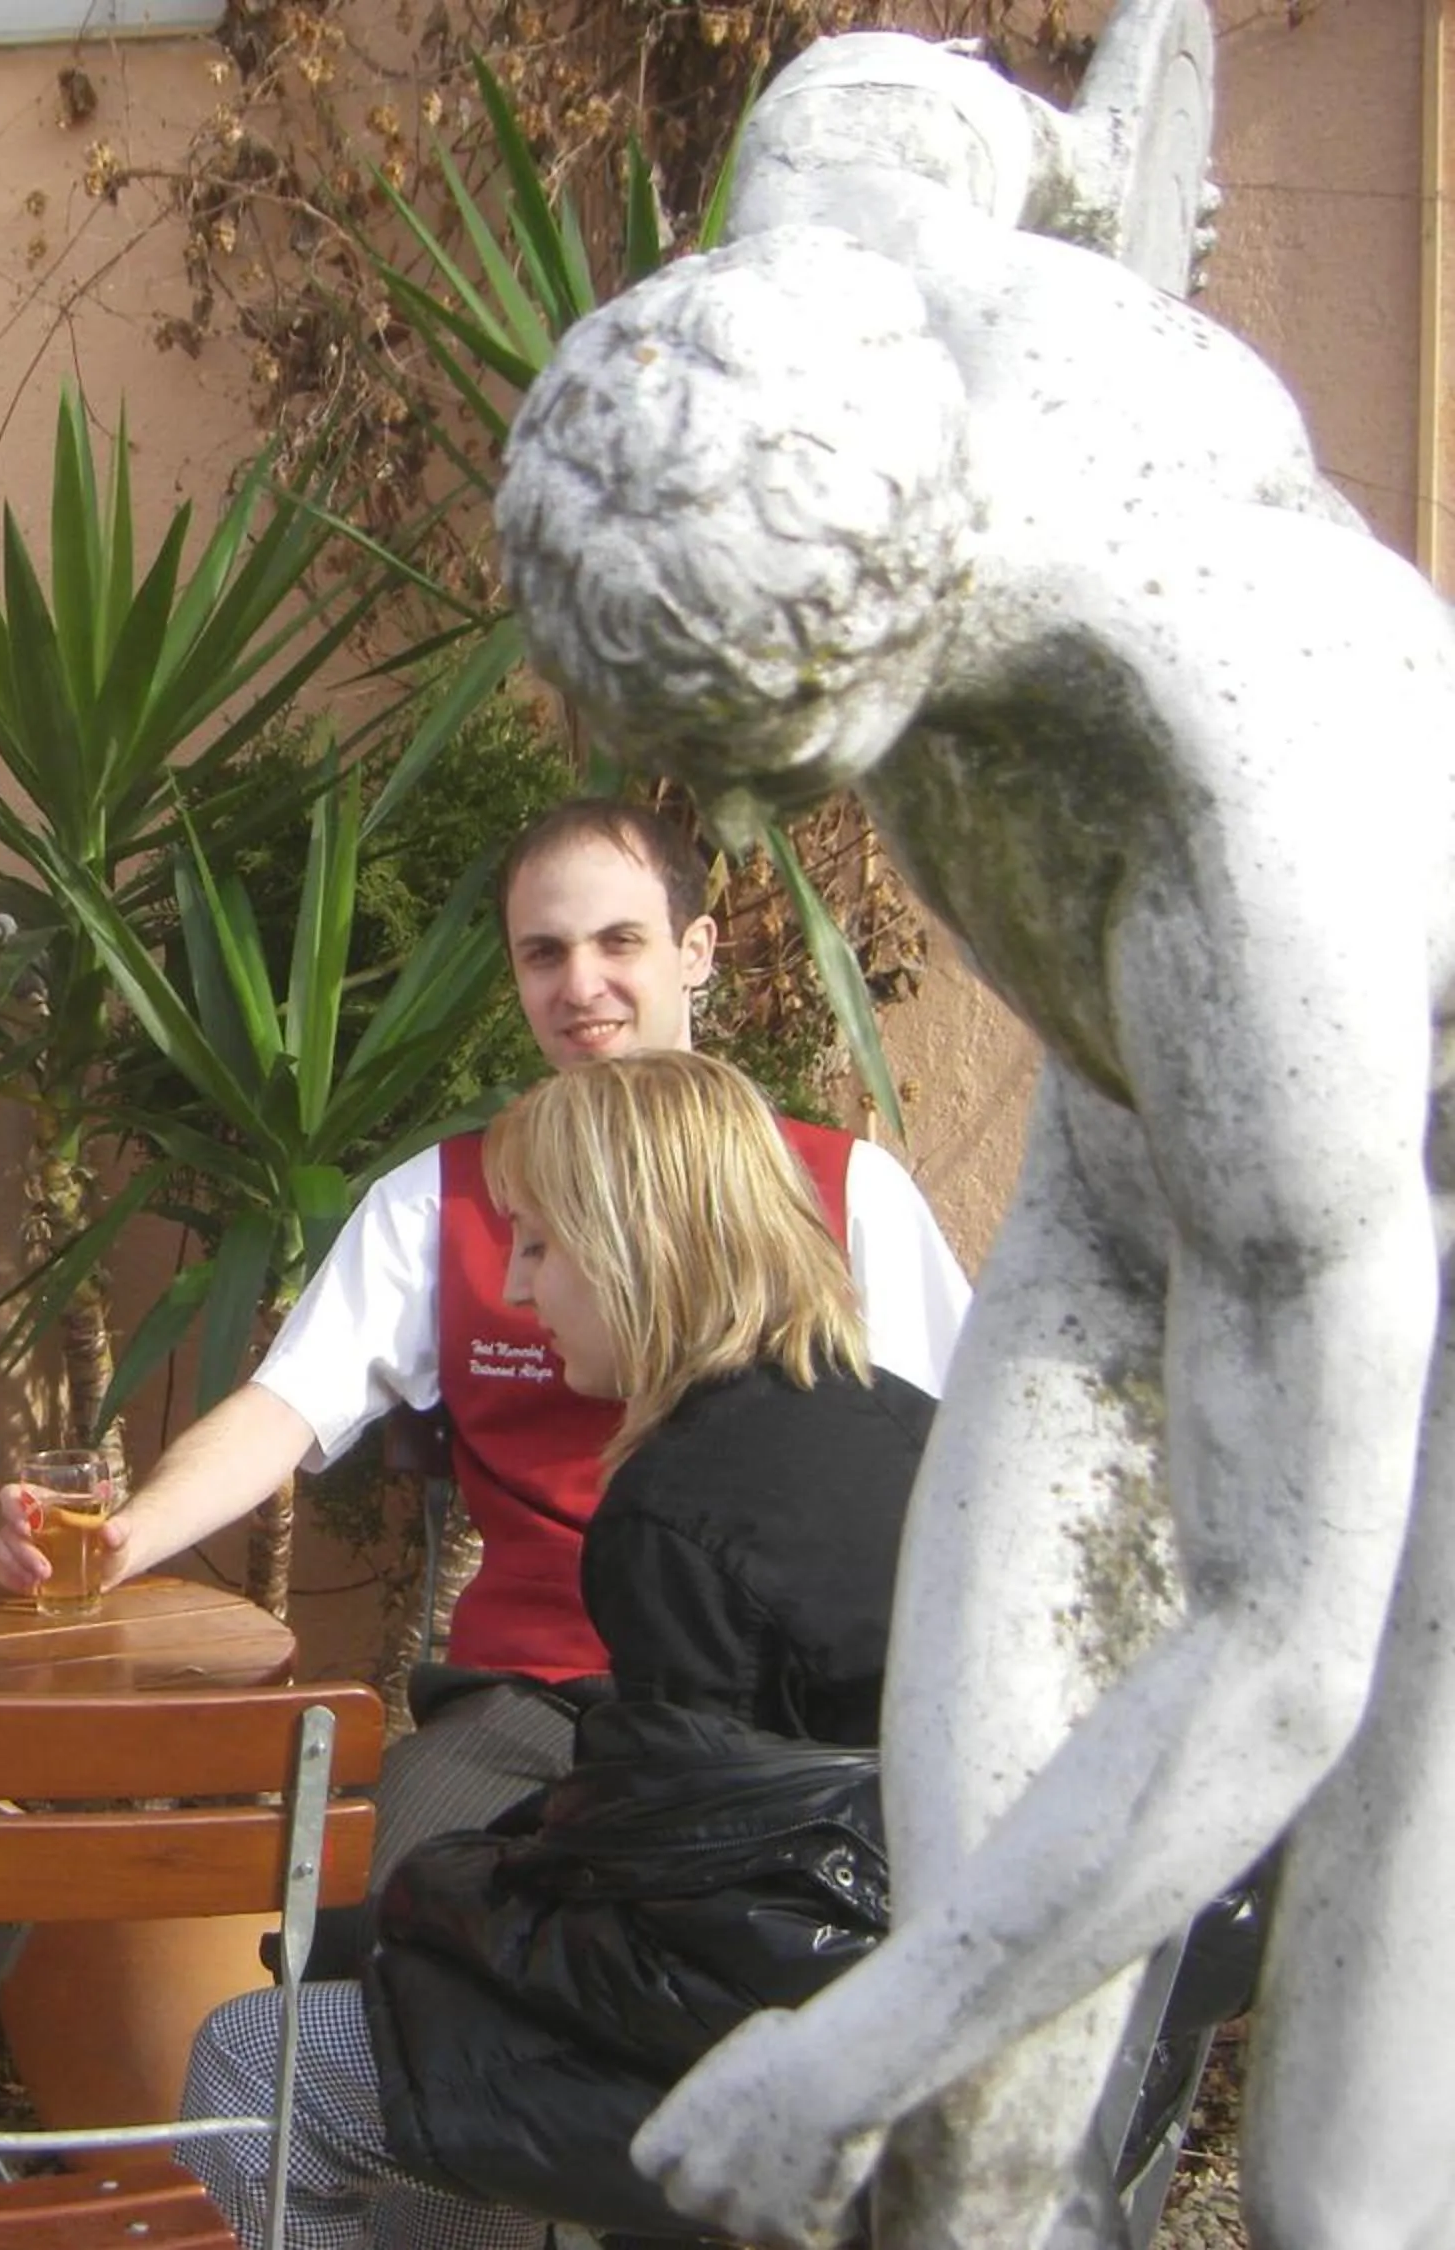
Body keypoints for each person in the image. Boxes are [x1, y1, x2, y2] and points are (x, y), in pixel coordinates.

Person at [494, 18, 1455, 2246]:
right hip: (1114, 1192)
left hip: (1392, 1196)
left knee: (1341, 2187)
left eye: (761, 760)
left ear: (884, 658)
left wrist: (845, 2042)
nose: (731, 815)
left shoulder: (1264, 848)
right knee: (973, 2140)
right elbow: (880, 90)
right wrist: (1090, 159)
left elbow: (1278, 1648)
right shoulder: (816, 259)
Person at [0, 798, 968, 1852]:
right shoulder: (441, 1201)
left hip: (786, 1715)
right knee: (392, 1892)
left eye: (619, 942)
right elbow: (285, 1407)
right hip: (541, 1701)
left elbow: (956, 1465)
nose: (579, 985)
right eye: (544, 953)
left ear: (695, 952)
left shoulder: (845, 1190)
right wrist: (127, 1538)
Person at [179, 1051, 931, 2250]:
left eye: (536, 1245)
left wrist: (442, 1907)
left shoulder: (677, 1511)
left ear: (633, 1246)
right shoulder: (911, 1425)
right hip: (959, 2016)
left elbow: (682, 1943)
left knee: (261, 2064)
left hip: (817, 2088)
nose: (518, 1290)